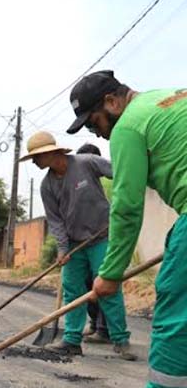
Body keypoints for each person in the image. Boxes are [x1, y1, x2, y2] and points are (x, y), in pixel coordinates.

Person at [67, 70, 187, 388]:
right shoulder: (169, 99)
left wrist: (111, 271)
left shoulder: (128, 127)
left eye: (95, 122)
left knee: (175, 313)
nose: (96, 133)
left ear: (111, 102)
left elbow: (127, 206)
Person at [19, 130, 135, 360]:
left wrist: (123, 205)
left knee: (108, 286)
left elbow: (120, 172)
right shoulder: (47, 186)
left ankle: (121, 339)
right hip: (74, 244)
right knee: (73, 290)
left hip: (101, 237)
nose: (34, 162)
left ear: (51, 153)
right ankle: (72, 340)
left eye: (37, 157)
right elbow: (55, 221)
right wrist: (62, 248)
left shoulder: (87, 163)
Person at [75, 143, 111, 344]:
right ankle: (95, 323)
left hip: (104, 238)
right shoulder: (77, 182)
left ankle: (105, 329)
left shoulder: (103, 183)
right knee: (88, 284)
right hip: (84, 242)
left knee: (104, 283)